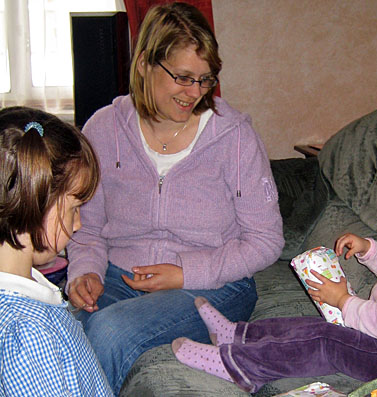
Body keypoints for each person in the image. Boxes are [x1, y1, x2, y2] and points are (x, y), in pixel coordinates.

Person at [65, 2, 284, 394]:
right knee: (63, 329)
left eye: (205, 79)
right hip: (118, 275)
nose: (195, 93)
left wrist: (186, 271)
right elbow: (87, 227)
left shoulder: (234, 138)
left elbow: (266, 241)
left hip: (215, 286)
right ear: (146, 63)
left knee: (111, 330)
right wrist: (86, 272)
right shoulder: (102, 129)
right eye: (183, 78)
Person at [172, 146, 377, 393]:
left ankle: (238, 366)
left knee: (325, 342)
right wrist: (370, 249)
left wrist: (343, 301)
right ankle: (238, 335)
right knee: (309, 326)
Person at [0, 106, 113, 396]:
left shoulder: (26, 296)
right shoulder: (28, 334)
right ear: (35, 201)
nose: (78, 225)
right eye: (74, 209)